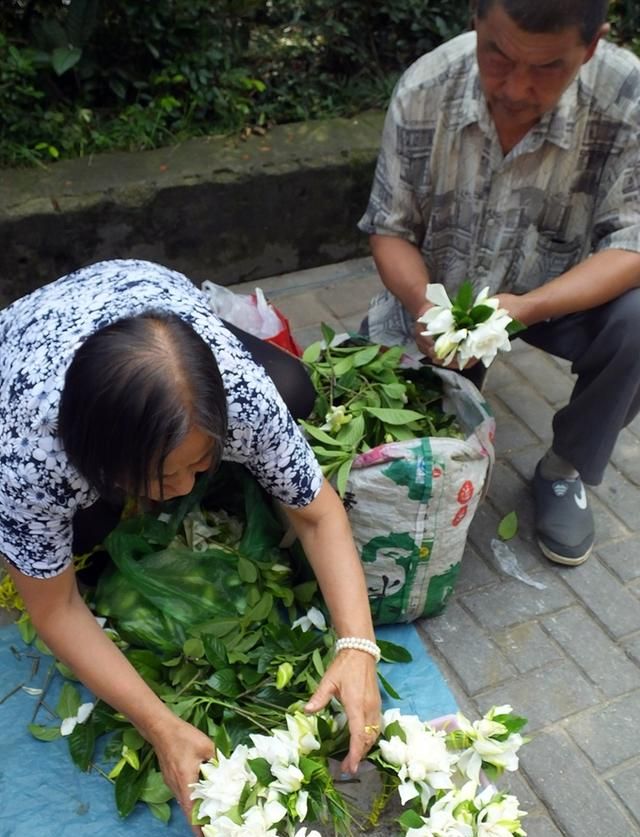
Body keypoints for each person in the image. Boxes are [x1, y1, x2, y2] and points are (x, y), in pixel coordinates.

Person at [0, 259, 381, 830]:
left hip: (143, 294)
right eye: (159, 477)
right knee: (79, 535)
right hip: (27, 352)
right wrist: (161, 726)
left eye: (200, 462)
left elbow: (318, 516)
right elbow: (56, 607)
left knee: (294, 388)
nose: (181, 490)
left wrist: (358, 645)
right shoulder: (30, 458)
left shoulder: (238, 395)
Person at [358, 0, 640, 566]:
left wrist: (529, 307)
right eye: (498, 54)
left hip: (564, 293)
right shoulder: (425, 88)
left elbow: (633, 241)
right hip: (444, 296)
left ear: (591, 46)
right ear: (475, 21)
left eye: (547, 68)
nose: (515, 88)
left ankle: (564, 468)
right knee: (378, 430)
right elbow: (390, 229)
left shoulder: (627, 95)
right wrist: (421, 304)